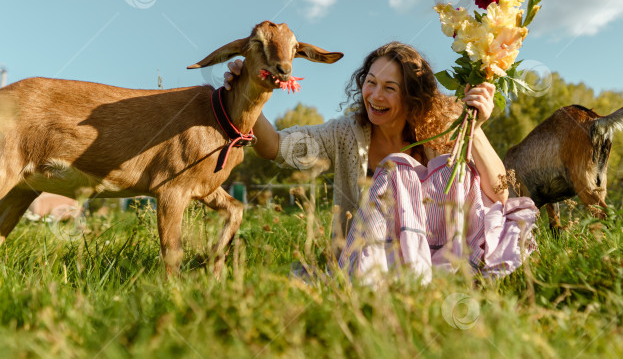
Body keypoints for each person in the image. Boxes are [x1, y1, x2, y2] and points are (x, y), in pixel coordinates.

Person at [224, 42, 537, 284]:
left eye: (390, 88)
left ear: (413, 96)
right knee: (397, 168)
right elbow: (274, 147)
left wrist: (476, 131)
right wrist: (251, 92)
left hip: (447, 247)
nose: (374, 95)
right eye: (370, 82)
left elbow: (500, 193)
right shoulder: (345, 134)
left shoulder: (449, 122)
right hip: (374, 255)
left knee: (402, 167)